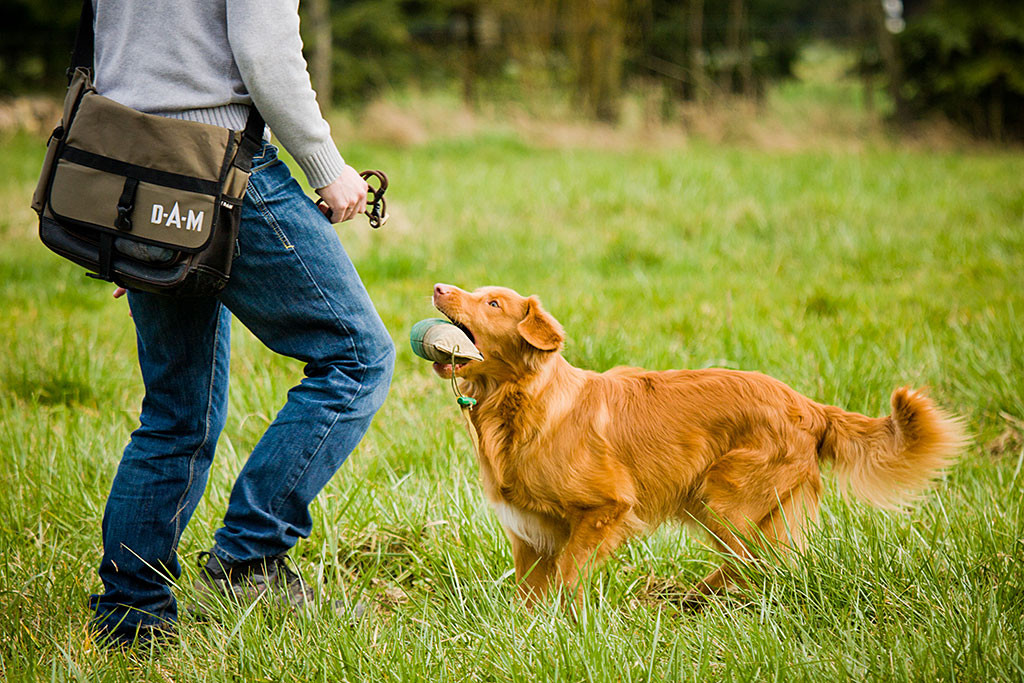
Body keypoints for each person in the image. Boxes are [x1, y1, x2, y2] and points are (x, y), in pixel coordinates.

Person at [85, 0, 396, 646]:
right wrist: (327, 166)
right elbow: (264, 51)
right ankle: (248, 557)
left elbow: (113, 47)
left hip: (132, 171)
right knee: (358, 356)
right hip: (222, 168)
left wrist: (129, 216)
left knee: (176, 410)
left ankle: (131, 615)